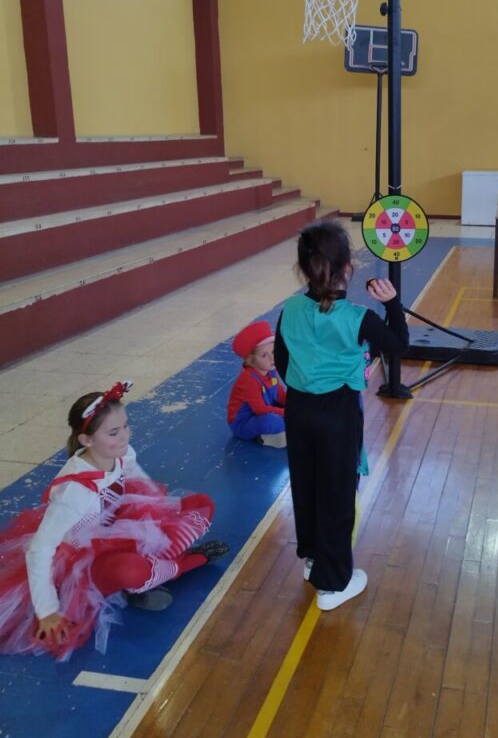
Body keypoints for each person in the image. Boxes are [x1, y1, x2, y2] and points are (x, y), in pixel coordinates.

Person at [0, 382, 229, 660]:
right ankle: (188, 562)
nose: (124, 437)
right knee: (130, 572)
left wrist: (161, 514)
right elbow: (39, 550)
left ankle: (152, 572)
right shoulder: (74, 493)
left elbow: (134, 474)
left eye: (125, 427)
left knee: (202, 504)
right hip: (82, 559)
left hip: (119, 524)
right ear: (87, 440)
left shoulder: (119, 453)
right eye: (113, 432)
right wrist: (47, 610)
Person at [274, 220, 409, 610]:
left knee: (307, 482)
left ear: (305, 269)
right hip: (337, 413)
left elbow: (283, 363)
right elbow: (398, 344)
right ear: (347, 268)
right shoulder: (358, 317)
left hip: (298, 411)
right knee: (336, 494)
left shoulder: (290, 308)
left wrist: (307, 382)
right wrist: (392, 303)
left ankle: (314, 557)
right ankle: (333, 585)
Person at [227, 320, 287, 448]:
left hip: (263, 413)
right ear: (251, 360)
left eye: (273, 352)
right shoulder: (248, 379)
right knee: (271, 421)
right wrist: (286, 412)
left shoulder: (270, 371)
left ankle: (280, 432)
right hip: (243, 423)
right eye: (264, 355)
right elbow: (260, 410)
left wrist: (294, 406)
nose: (272, 358)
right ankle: (265, 437)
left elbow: (281, 395)